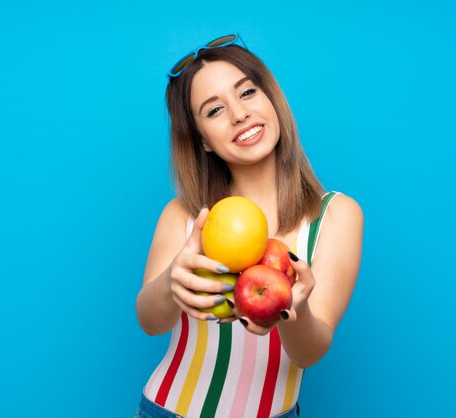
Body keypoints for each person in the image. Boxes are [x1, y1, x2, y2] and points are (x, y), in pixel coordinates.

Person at [135, 34, 363, 418]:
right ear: (202, 141)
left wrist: (295, 311)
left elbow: (310, 352)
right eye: (213, 111)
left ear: (271, 99)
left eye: (247, 93)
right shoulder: (185, 215)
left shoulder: (336, 215)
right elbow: (150, 323)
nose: (239, 114)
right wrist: (173, 279)